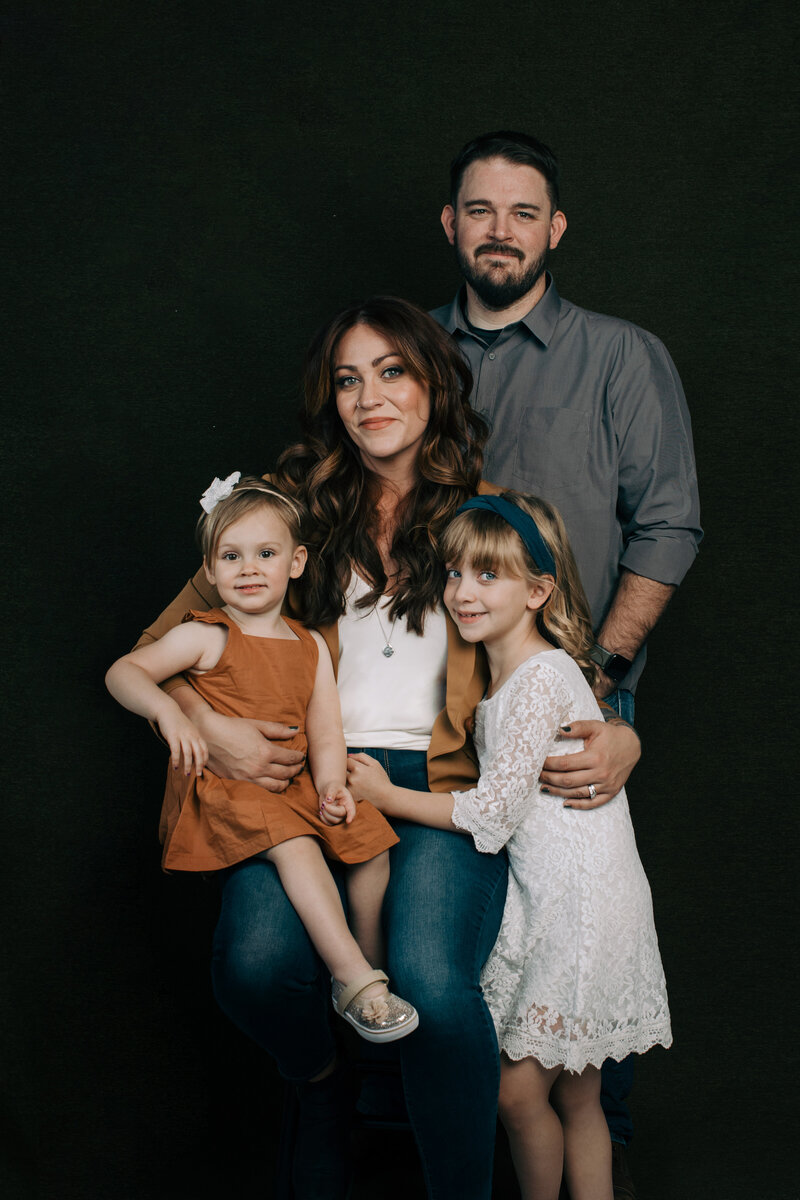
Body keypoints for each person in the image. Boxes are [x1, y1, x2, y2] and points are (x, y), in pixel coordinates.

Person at [134, 297, 642, 1199]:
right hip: (296, 776)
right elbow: (158, 647)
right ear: (330, 400)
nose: (369, 395)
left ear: (433, 383)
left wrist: (622, 733)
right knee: (255, 965)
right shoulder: (285, 519)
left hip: (442, 785)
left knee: (437, 986)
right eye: (347, 378)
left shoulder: (486, 516)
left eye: (392, 371)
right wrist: (211, 728)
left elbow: (550, 652)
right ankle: (318, 1081)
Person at [431, 130, 701, 1192]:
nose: (501, 231)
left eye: (522, 212)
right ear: (449, 225)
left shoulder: (618, 356)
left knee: (579, 1008)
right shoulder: (408, 357)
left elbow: (667, 524)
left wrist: (601, 684)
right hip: (434, 729)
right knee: (464, 985)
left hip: (572, 717)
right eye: (479, 210)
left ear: (555, 230)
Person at [347, 491, 672, 1200]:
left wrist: (384, 795)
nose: (464, 591)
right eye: (456, 572)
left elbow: (492, 815)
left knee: (519, 1095)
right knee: (579, 1099)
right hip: (577, 899)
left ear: (537, 592)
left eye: (488, 576)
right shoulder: (522, 677)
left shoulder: (538, 679)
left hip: (578, 913)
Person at [106, 475, 418, 1042]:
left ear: (296, 563)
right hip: (229, 791)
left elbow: (326, 730)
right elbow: (123, 672)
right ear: (210, 568)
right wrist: (172, 713)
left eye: (265, 554)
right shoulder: (207, 635)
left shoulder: (310, 644)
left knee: (371, 844)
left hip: (293, 785)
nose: (249, 569)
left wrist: (332, 785)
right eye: (231, 556)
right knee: (297, 849)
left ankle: (369, 967)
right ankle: (355, 982)